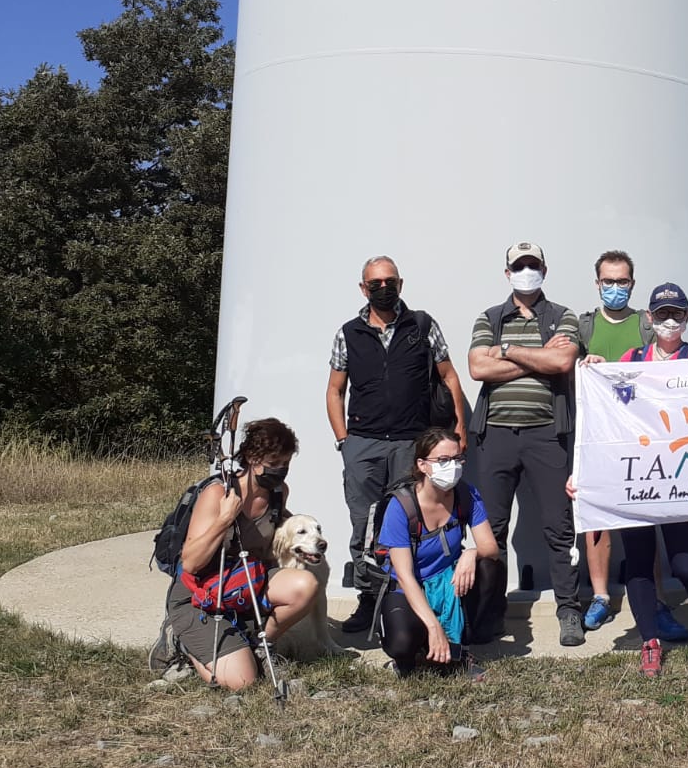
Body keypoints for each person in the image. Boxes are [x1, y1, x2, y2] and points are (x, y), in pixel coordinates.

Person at [572, 282, 688, 677]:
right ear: (649, 318)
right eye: (662, 314)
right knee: (638, 562)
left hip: (682, 477)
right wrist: (596, 370)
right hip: (639, 477)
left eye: (677, 314)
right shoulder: (632, 358)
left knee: (686, 564)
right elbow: (605, 418)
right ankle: (649, 641)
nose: (669, 321)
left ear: (687, 318)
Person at [327, 255, 469, 635]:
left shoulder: (421, 325)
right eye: (375, 283)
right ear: (363, 288)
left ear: (400, 284)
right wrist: (344, 440)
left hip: (411, 444)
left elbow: (450, 377)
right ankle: (369, 600)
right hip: (364, 444)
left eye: (389, 281)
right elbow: (335, 389)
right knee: (364, 526)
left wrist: (459, 430)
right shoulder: (348, 332)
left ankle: (410, 601)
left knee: (413, 522)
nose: (383, 289)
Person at [466, 242, 585, 648]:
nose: (527, 271)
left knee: (559, 527)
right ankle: (488, 615)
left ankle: (569, 611)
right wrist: (532, 355)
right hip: (495, 436)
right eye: (520, 265)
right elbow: (477, 367)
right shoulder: (490, 317)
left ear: (544, 269)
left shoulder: (562, 316)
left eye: (533, 264)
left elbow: (562, 363)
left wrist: (506, 352)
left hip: (547, 435)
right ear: (507, 273)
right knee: (491, 531)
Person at [150, 418, 320, 690]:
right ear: (253, 458)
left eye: (286, 464)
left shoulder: (278, 493)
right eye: (274, 463)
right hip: (200, 593)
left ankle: (261, 645)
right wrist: (224, 519)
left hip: (244, 583)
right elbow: (191, 562)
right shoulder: (218, 492)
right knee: (243, 682)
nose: (280, 471)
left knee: (305, 585)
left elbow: (267, 548)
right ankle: (180, 640)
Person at [572, 250, 686, 643]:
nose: (615, 288)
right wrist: (589, 366)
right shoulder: (584, 326)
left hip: (645, 436)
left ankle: (656, 601)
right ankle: (601, 596)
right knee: (598, 517)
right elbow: (568, 364)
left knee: (645, 516)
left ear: (632, 284)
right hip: (600, 437)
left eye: (622, 281)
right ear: (597, 282)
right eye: (608, 281)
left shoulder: (645, 324)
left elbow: (665, 369)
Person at [375, 427, 500, 678]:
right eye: (442, 460)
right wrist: (433, 627)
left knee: (489, 566)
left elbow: (491, 548)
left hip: (449, 582)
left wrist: (470, 553)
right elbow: (405, 576)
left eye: (457, 459)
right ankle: (421, 643)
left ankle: (461, 647)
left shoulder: (466, 493)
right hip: (409, 588)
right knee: (402, 643)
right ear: (422, 465)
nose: (452, 466)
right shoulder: (402, 506)